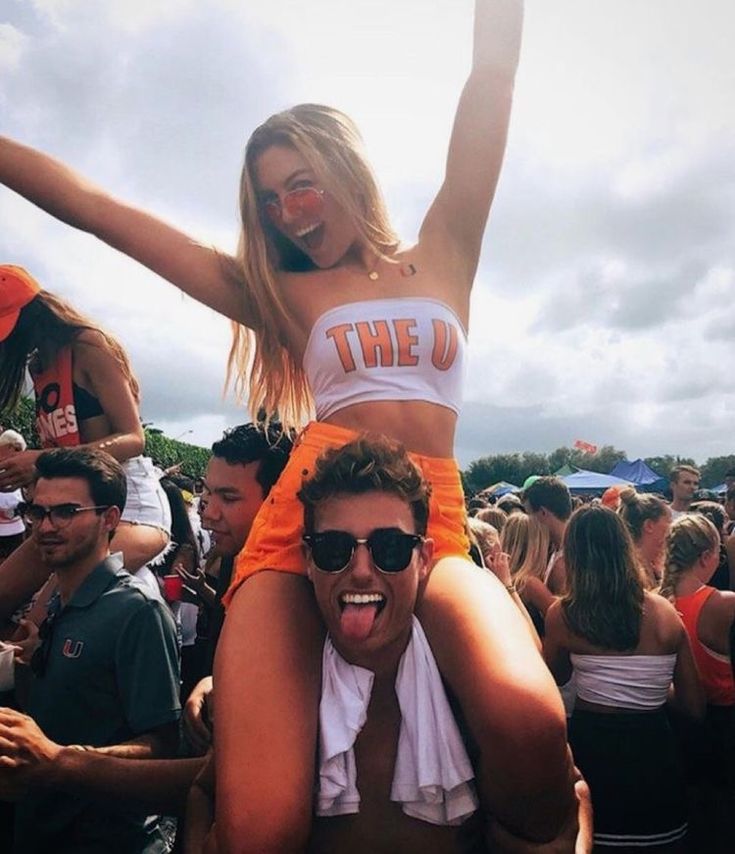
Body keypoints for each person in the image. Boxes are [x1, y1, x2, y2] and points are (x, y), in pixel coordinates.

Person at [0, 4, 575, 849]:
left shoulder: (447, 246)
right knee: (260, 823)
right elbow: (96, 209)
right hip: (308, 519)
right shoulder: (279, 293)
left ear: (345, 166)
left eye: (301, 183)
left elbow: (490, 80)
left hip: (436, 518)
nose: (290, 212)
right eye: (269, 201)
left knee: (526, 721)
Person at [0, 447, 181, 853]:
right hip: (41, 831)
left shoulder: (137, 610)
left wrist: (60, 762)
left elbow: (163, 745)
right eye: (38, 512)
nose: (46, 526)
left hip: (108, 839)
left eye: (66, 512)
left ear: (110, 519)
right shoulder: (60, 604)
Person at [0, 266, 171, 622]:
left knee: (45, 616)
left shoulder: (89, 347)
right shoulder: (39, 365)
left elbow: (134, 438)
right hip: (73, 507)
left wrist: (43, 460)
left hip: (130, 504)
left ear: (29, 316)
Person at [543, 505, 704, 852]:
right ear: (624, 548)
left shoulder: (565, 616)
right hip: (656, 762)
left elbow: (553, 678)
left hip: (592, 760)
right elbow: (694, 706)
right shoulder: (665, 614)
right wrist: (650, 689)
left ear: (575, 556)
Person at [660, 514, 735, 849]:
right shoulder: (723, 604)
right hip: (723, 728)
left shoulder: (654, 603)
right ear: (707, 557)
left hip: (673, 725)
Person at [522, 476, 573, 595]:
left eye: (529, 514)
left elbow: (564, 613)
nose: (528, 521)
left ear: (543, 513)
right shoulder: (556, 549)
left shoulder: (565, 565)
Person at [617, 487, 672, 589]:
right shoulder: (632, 572)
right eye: (669, 522)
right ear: (649, 525)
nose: (672, 528)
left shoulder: (649, 566)